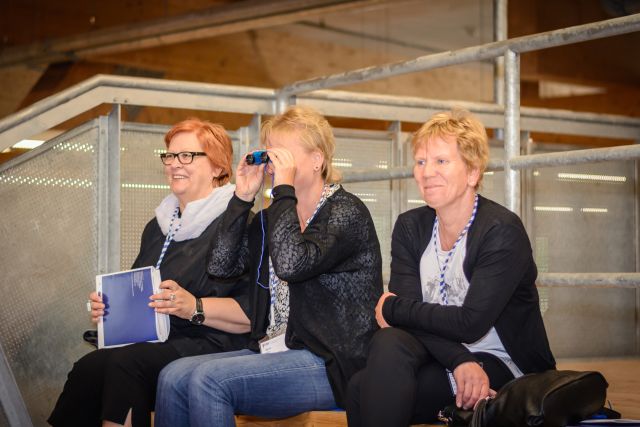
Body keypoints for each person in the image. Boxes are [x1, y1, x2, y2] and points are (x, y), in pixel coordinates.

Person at [155, 105, 383, 427]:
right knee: (173, 377)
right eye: (270, 153)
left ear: (317, 160)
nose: (273, 164)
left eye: (283, 154)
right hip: (273, 351)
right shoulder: (270, 218)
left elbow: (292, 263)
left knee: (209, 380)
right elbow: (220, 266)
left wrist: (282, 192)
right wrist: (242, 198)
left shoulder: (345, 212)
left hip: (330, 363)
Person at [346, 109, 556, 427]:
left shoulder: (501, 230)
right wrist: (459, 360)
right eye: (420, 162)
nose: (427, 172)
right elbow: (407, 323)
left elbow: (469, 323)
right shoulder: (410, 226)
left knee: (362, 389)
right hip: (446, 353)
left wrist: (393, 307)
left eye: (441, 161)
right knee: (386, 346)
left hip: (503, 361)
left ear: (472, 172)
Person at [48, 118, 251, 427]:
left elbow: (252, 314)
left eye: (187, 156)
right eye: (169, 155)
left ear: (218, 167)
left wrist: (192, 306)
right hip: (158, 341)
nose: (173, 164)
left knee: (125, 364)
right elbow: (142, 294)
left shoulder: (239, 224)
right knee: (87, 368)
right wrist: (110, 310)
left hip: (214, 340)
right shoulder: (159, 226)